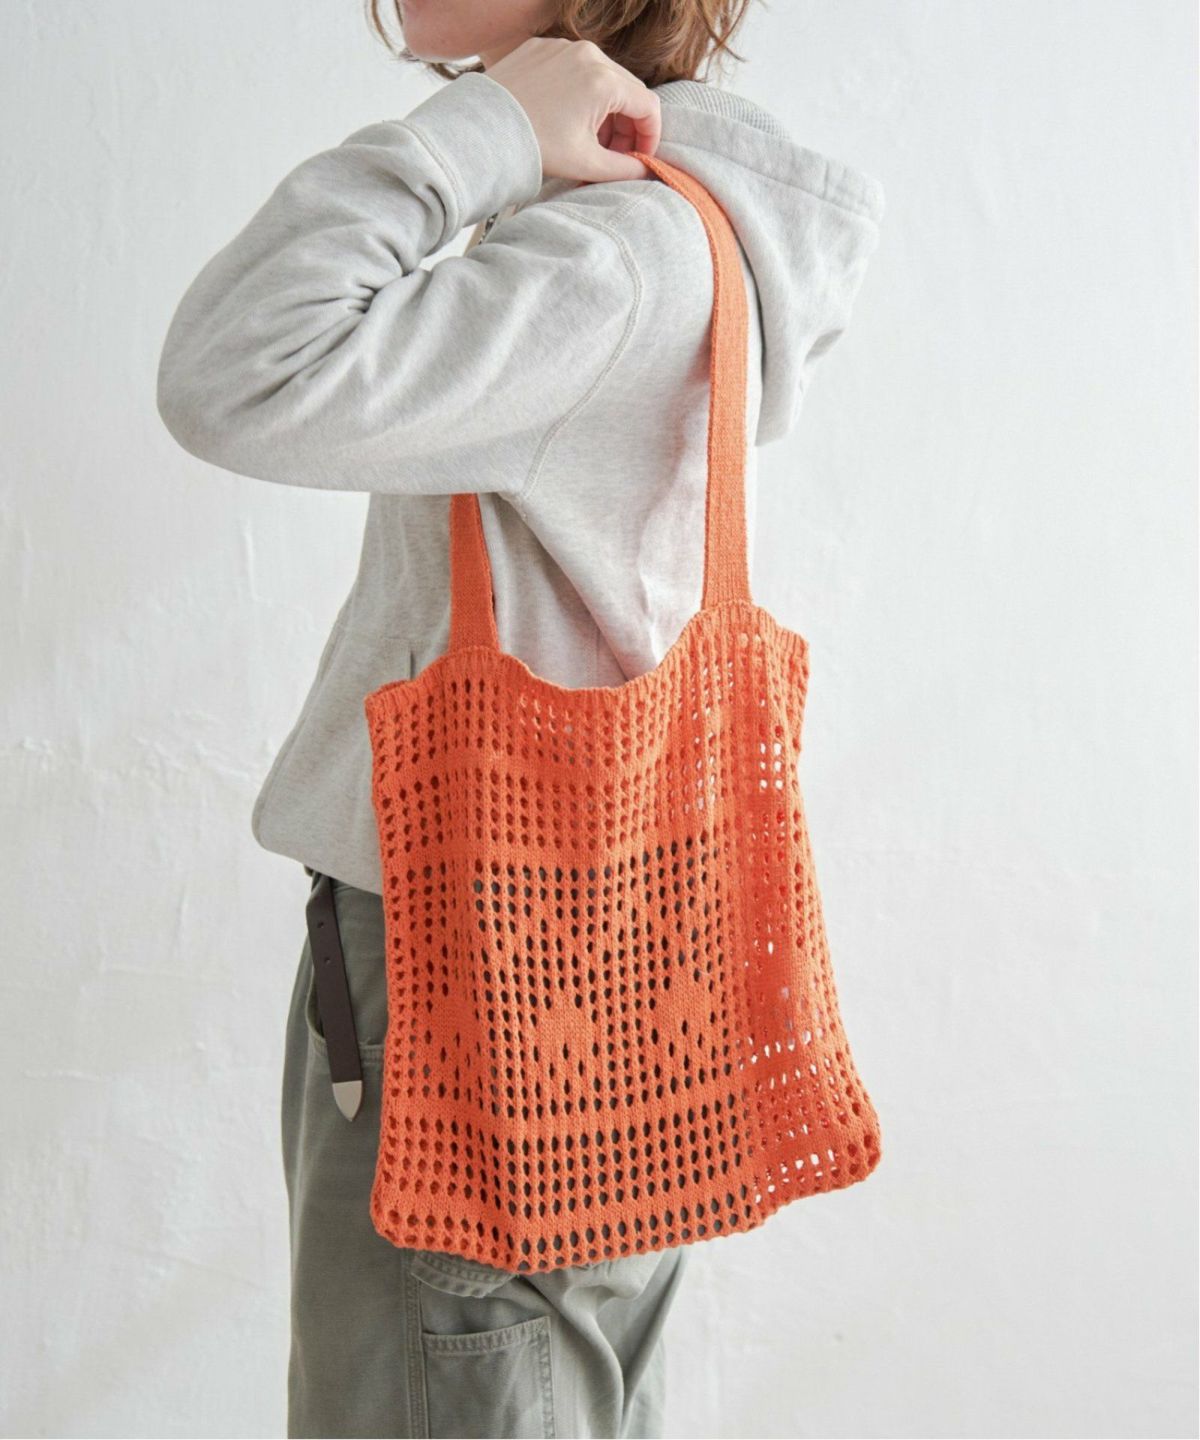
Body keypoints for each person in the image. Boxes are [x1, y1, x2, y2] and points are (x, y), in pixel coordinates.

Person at [155, 2, 885, 1435]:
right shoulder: (658, 229)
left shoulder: (608, 264)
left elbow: (231, 369)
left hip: (475, 956)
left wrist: (477, 131)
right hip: (613, 938)